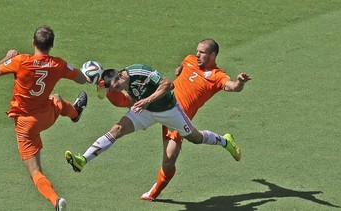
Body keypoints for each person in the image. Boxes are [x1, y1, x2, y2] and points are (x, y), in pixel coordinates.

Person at [65, 61, 246, 194]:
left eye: (118, 86)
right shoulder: (117, 84)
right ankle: (83, 160)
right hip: (145, 111)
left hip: (169, 110)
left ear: (121, 75)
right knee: (117, 129)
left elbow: (169, 85)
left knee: (196, 138)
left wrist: (147, 101)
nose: (118, 89)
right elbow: (118, 96)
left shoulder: (140, 71)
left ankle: (224, 141)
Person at [104, 38, 251, 201]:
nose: (197, 55)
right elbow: (179, 70)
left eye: (201, 52)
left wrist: (240, 82)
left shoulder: (218, 76)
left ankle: (224, 141)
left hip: (177, 118)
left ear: (212, 55)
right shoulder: (189, 59)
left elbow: (233, 87)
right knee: (126, 111)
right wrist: (178, 71)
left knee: (170, 160)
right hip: (161, 105)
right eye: (197, 51)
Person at [0, 25, 88, 211]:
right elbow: (81, 78)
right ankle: (75, 113)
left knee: (35, 172)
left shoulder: (20, 60)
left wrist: (8, 57)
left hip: (26, 124)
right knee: (56, 99)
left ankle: (56, 200)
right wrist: (90, 71)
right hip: (46, 116)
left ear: (33, 42)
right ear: (52, 45)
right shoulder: (58, 64)